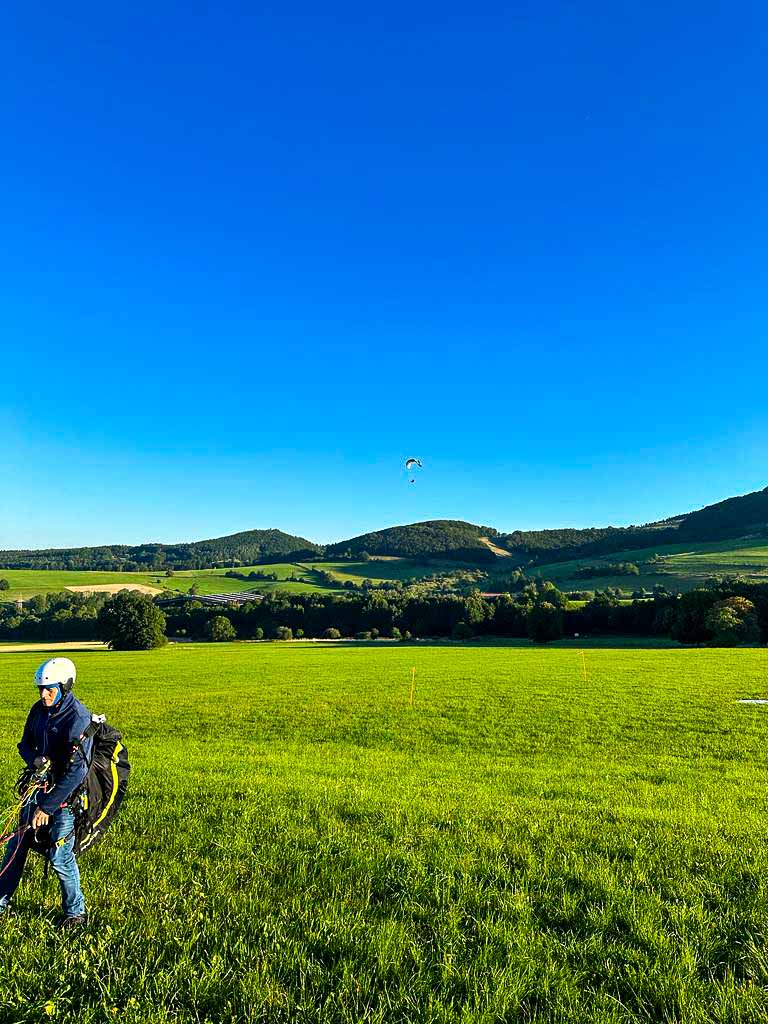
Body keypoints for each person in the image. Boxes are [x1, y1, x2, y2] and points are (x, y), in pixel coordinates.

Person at [0, 657, 93, 929]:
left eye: (49, 690)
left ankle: (76, 913)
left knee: (59, 856)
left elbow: (77, 772)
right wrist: (34, 759)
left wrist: (46, 808)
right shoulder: (38, 710)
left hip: (65, 798)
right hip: (36, 789)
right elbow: (24, 745)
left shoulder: (78, 718)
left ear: (65, 687)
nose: (43, 695)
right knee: (16, 847)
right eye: (41, 689)